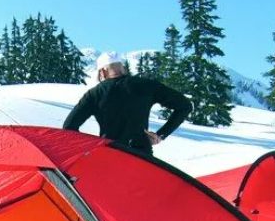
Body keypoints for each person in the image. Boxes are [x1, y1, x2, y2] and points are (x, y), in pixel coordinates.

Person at [63, 51, 193, 156]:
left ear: (102, 72)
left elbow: (69, 126)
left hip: (109, 155)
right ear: (123, 68)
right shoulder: (147, 86)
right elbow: (185, 106)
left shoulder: (94, 94)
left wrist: (91, 147)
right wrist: (160, 135)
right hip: (142, 156)